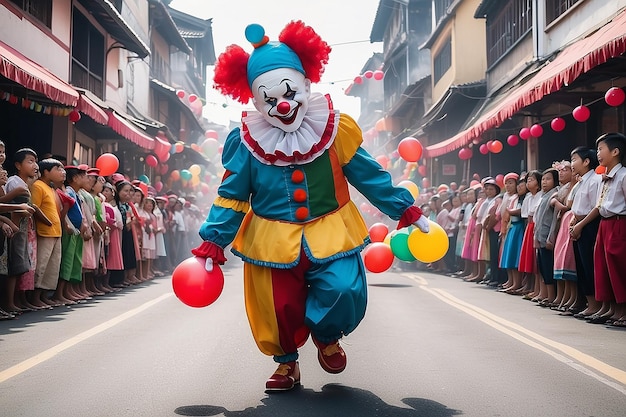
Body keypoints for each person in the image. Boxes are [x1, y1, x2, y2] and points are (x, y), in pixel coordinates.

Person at [192, 21, 429, 392]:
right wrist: (214, 239)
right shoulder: (247, 143)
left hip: (332, 229)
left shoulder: (334, 128)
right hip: (271, 236)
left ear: (305, 85)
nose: (282, 105)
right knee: (278, 306)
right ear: (256, 102)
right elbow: (232, 195)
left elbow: (367, 174)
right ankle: (287, 364)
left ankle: (327, 335)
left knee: (344, 290)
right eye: (268, 100)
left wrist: (404, 209)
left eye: (288, 92)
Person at [577, 133, 626, 325]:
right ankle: (611, 308)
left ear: (615, 151)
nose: (598, 153)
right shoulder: (604, 177)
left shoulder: (623, 176)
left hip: (618, 223)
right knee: (603, 267)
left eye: (601, 149)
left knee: (618, 267)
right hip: (604, 225)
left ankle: (623, 310)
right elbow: (599, 205)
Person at [569, 147, 602, 319]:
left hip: (589, 225)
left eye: (574, 159)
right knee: (581, 267)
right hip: (579, 224)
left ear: (587, 161)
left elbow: (597, 207)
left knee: (590, 266)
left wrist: (581, 224)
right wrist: (575, 222)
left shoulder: (595, 180)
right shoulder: (581, 182)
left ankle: (597, 305)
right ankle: (590, 303)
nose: (572, 163)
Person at [29, 158, 64, 308]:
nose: (62, 172)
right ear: (46, 172)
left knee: (53, 266)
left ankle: (45, 295)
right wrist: (47, 222)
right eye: (58, 169)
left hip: (56, 232)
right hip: (45, 231)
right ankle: (35, 297)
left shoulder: (51, 188)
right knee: (41, 265)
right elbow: (34, 207)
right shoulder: (38, 186)